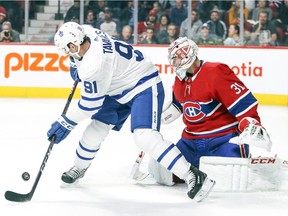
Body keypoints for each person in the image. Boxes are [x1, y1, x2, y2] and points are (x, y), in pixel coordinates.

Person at [47, 22, 215, 201]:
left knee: (145, 137)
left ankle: (192, 174)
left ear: (74, 45)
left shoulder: (94, 66)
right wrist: (75, 63)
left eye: (67, 50)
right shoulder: (85, 31)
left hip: (143, 84)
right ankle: (79, 167)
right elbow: (81, 58)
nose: (66, 54)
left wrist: (66, 121)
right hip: (117, 84)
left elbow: (90, 105)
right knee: (96, 128)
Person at [148, 37, 272, 185]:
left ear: (188, 56)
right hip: (190, 143)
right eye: (173, 60)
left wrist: (250, 123)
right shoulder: (179, 81)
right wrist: (157, 117)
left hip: (222, 139)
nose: (175, 63)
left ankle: (234, 158)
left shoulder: (215, 72)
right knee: (162, 172)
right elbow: (180, 105)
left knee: (232, 178)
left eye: (177, 58)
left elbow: (243, 103)